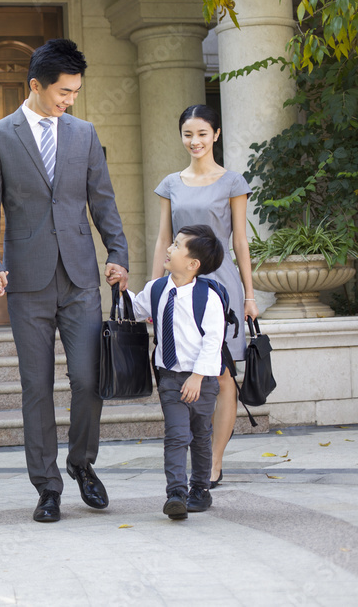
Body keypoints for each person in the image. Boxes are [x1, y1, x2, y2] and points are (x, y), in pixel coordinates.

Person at [0, 38, 129, 523]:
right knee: (36, 386)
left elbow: (102, 199)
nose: (69, 100)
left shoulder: (83, 133)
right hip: (28, 281)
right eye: (63, 92)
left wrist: (118, 253)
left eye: (76, 92)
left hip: (82, 276)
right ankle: (47, 486)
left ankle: (82, 463)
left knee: (88, 380)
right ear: (36, 86)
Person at [152, 104, 258, 489]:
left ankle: (213, 462)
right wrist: (154, 291)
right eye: (187, 134)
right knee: (185, 368)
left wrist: (248, 295)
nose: (194, 141)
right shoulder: (170, 183)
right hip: (180, 288)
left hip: (223, 285)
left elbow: (241, 243)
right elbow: (164, 239)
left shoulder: (232, 182)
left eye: (201, 134)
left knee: (224, 375)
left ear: (215, 135)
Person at [129, 224, 227, 519]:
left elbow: (214, 340)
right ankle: (176, 494)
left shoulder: (208, 297)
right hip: (169, 377)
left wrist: (198, 376)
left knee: (200, 435)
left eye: (177, 246)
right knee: (176, 435)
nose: (169, 249)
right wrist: (122, 289)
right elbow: (134, 310)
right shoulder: (157, 288)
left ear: (193, 263)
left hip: (203, 379)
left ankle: (200, 489)